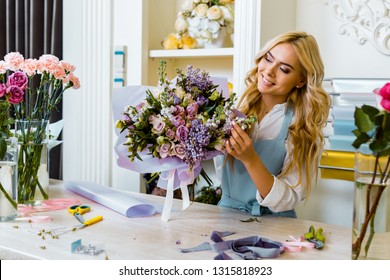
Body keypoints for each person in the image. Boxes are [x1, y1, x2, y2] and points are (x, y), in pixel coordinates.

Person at [217, 31, 331, 217]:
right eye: (268, 59)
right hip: (225, 216)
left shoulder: (301, 128)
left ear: (300, 81)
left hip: (273, 226)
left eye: (284, 69)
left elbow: (289, 197)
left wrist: (250, 158)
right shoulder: (239, 110)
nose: (269, 71)